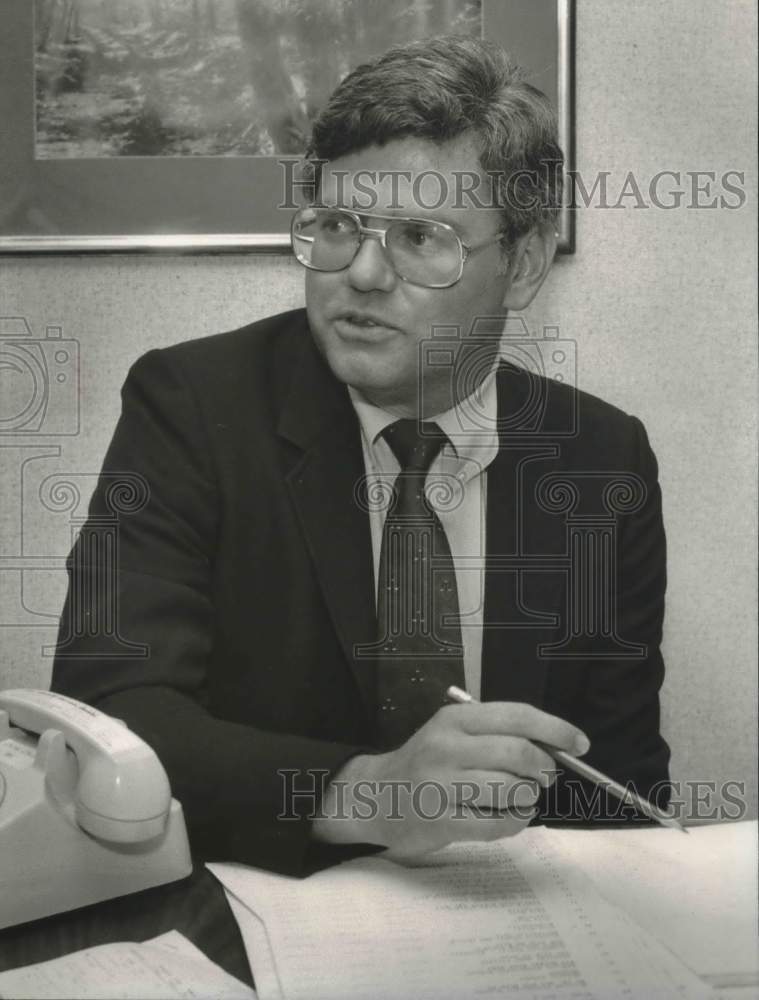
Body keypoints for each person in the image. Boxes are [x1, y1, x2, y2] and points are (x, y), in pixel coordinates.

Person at [51, 36, 670, 876]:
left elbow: (615, 778)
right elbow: (109, 706)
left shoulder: (602, 458)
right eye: (337, 226)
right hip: (267, 905)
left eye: (420, 236)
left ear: (522, 263)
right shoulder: (194, 406)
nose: (363, 273)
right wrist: (364, 792)